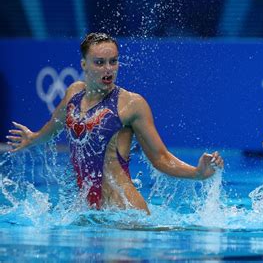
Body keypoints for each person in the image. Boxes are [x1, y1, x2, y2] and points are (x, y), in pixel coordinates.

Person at [6, 32, 224, 215]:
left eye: (113, 61)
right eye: (99, 63)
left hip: (124, 212)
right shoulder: (74, 93)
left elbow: (161, 158)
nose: (108, 69)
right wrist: (34, 138)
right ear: (84, 65)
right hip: (88, 211)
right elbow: (55, 125)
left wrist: (197, 172)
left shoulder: (131, 104)